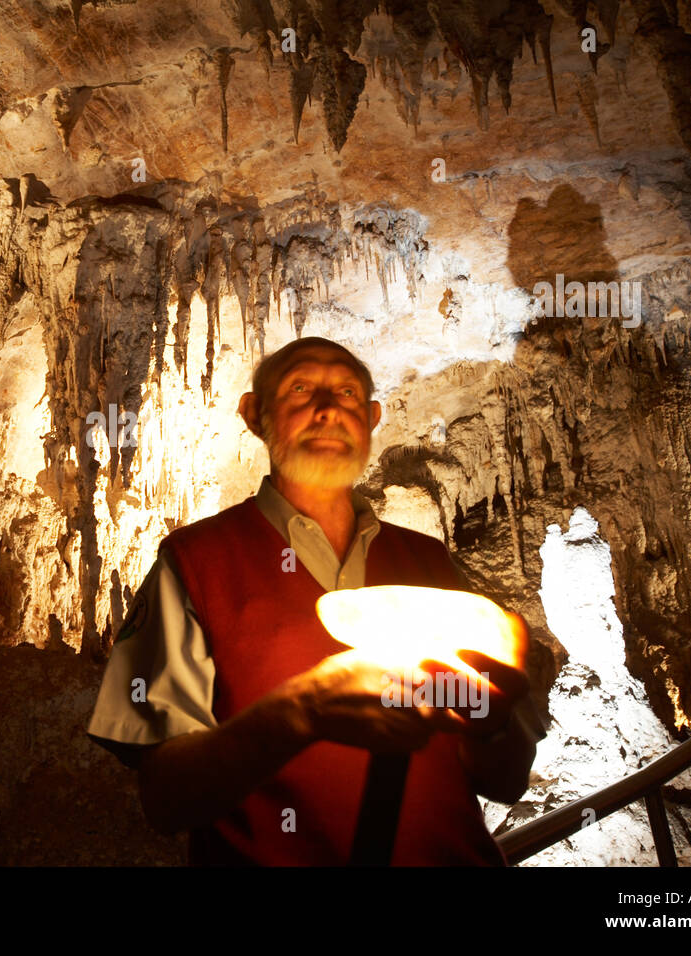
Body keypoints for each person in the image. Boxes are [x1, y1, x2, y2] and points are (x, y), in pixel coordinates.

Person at [85, 336, 544, 865]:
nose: (328, 410)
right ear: (255, 414)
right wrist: (301, 711)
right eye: (300, 388)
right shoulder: (194, 564)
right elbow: (166, 799)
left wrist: (490, 719)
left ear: (371, 419)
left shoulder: (429, 564)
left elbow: (507, 781)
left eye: (348, 393)